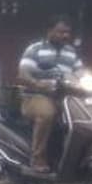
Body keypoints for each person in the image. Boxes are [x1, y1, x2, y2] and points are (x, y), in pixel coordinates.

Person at [18, 16, 83, 173]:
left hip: (65, 98)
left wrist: (91, 81)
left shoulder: (71, 52)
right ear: (50, 31)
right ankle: (37, 158)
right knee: (47, 114)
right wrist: (38, 84)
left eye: (68, 32)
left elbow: (80, 72)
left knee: (84, 116)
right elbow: (23, 74)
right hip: (36, 96)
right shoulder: (35, 49)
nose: (65, 35)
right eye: (61, 32)